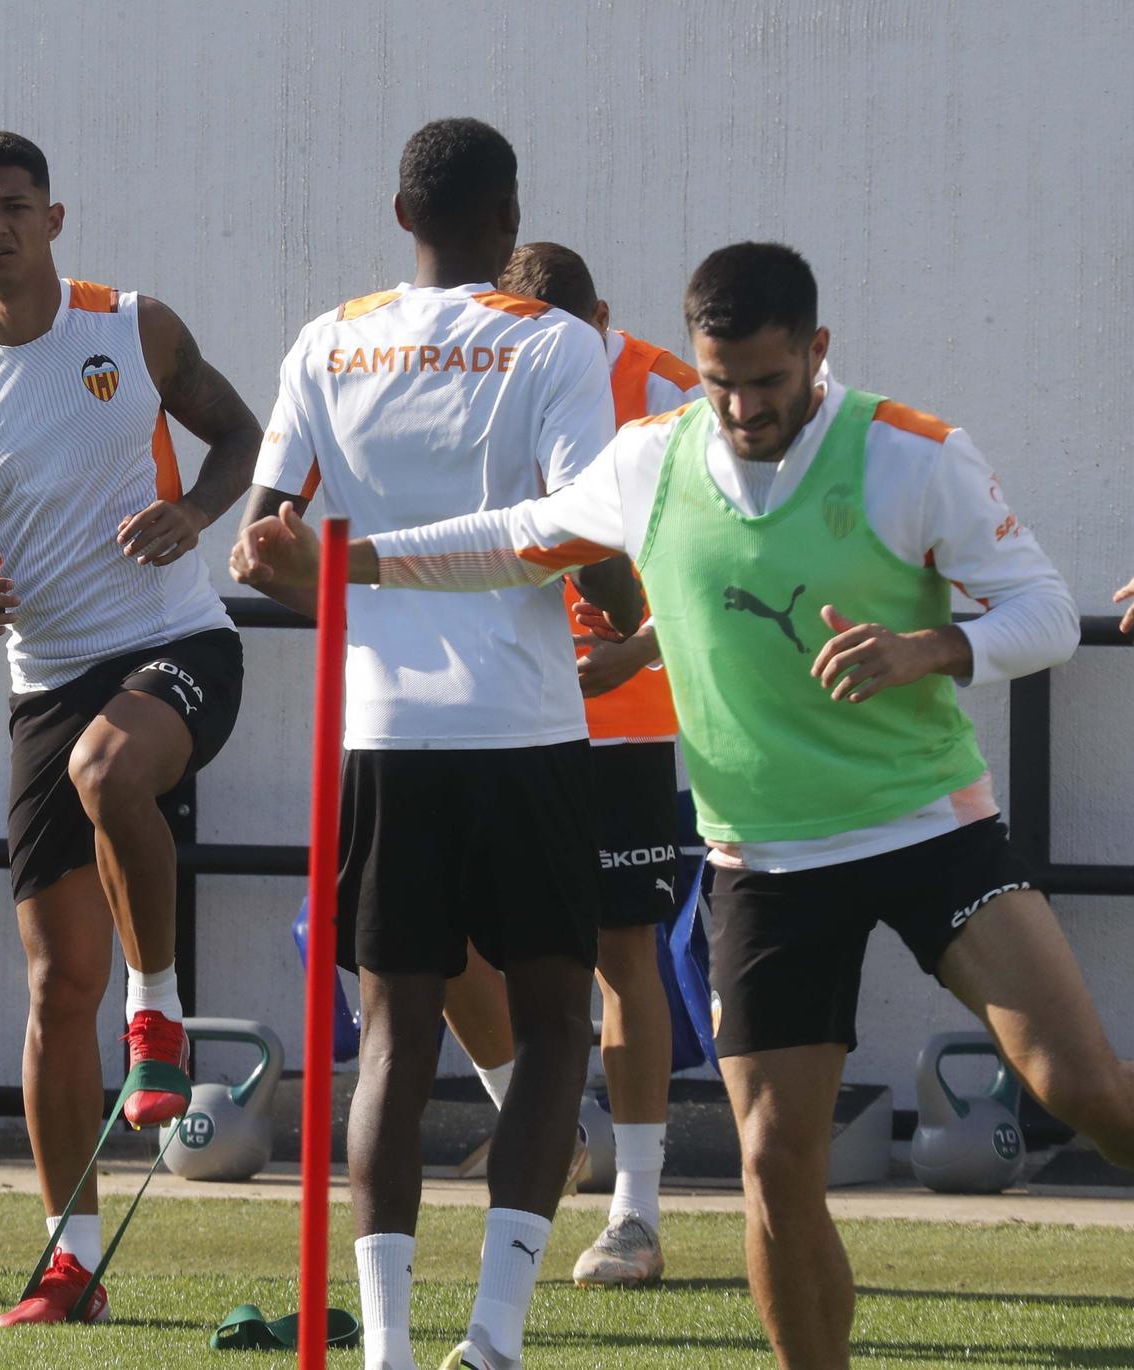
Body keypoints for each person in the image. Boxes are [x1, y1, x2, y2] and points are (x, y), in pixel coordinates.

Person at [235, 241, 1134, 1370]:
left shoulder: (913, 454)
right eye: (720, 382)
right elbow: (515, 537)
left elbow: (1044, 612)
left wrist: (930, 646)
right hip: (761, 863)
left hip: (929, 829)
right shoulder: (650, 457)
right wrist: (344, 559)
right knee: (769, 1164)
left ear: (816, 350)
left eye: (766, 380)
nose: (742, 407)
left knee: (1080, 1085)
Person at [234, 120, 640, 1370]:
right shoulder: (554, 340)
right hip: (520, 724)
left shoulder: (324, 338)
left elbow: (261, 544)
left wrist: (364, 595)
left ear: (396, 208)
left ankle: (388, 1348)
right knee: (556, 1026)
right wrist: (629, 612)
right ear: (506, 217)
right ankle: (496, 1337)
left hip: (380, 733)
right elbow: (580, 523)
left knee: (395, 1038)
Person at [0, 131, 263, 1327]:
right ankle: (70, 1263)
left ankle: (156, 1013)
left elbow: (241, 436)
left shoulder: (131, 326)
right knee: (53, 987)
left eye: (12, 204)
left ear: (56, 217)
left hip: (175, 643)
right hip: (42, 684)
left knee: (114, 770)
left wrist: (194, 509)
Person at [441, 241, 703, 1289]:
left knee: (618, 951)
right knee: (427, 931)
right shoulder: (478, 372)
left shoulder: (667, 394)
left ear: (600, 318)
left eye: (559, 337)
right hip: (492, 705)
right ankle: (548, 1126)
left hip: (623, 718)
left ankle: (634, 1212)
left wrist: (634, 648)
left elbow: (719, 560)